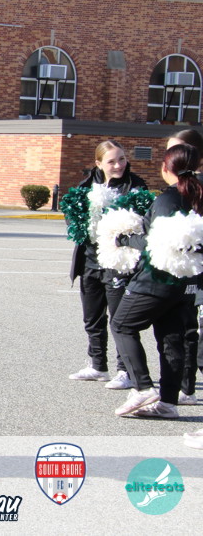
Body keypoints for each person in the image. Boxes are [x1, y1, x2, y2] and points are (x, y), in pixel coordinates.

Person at [110, 143, 202, 419]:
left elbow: (156, 242)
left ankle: (142, 387)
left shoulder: (169, 199)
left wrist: (124, 239)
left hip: (156, 279)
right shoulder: (197, 195)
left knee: (122, 324)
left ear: (165, 168)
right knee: (171, 338)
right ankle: (168, 403)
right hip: (187, 281)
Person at [67, 140, 146, 386]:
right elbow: (73, 219)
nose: (118, 165)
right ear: (98, 163)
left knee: (120, 320)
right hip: (90, 262)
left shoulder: (135, 186)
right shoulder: (86, 186)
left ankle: (125, 370)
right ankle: (97, 365)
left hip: (119, 263)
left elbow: (143, 222)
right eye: (111, 161)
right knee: (92, 319)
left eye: (122, 159)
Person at [166, 129, 203, 406]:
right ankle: (185, 387)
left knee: (194, 332)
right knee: (185, 327)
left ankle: (186, 387)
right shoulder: (174, 192)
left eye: (176, 150)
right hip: (185, 270)